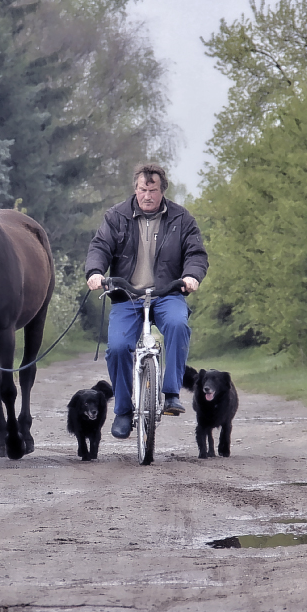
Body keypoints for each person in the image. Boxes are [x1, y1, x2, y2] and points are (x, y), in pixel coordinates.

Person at [85, 163, 208, 439]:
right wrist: (95, 272)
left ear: (162, 191)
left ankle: (172, 392)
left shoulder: (181, 219)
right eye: (143, 189)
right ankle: (124, 410)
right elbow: (100, 247)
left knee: (178, 325)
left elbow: (196, 253)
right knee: (117, 347)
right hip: (127, 295)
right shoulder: (116, 216)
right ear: (135, 189)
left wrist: (191, 276)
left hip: (167, 294)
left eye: (153, 190)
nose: (147, 196)